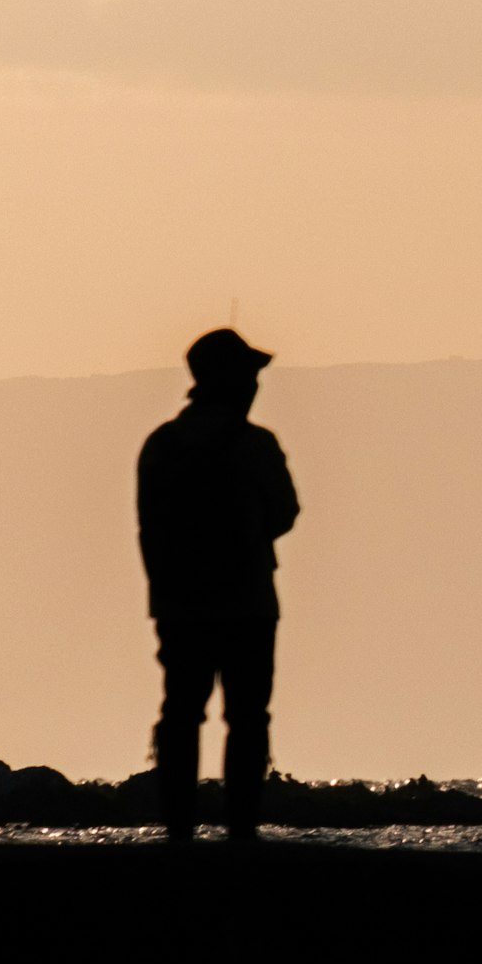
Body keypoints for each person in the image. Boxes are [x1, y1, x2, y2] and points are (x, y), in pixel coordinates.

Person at [138, 327, 301, 843]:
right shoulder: (255, 445)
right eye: (250, 374)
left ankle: (179, 830)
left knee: (181, 714)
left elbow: (149, 524)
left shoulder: (161, 446)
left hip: (179, 605)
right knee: (248, 717)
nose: (256, 384)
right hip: (248, 603)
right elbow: (285, 513)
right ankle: (242, 831)